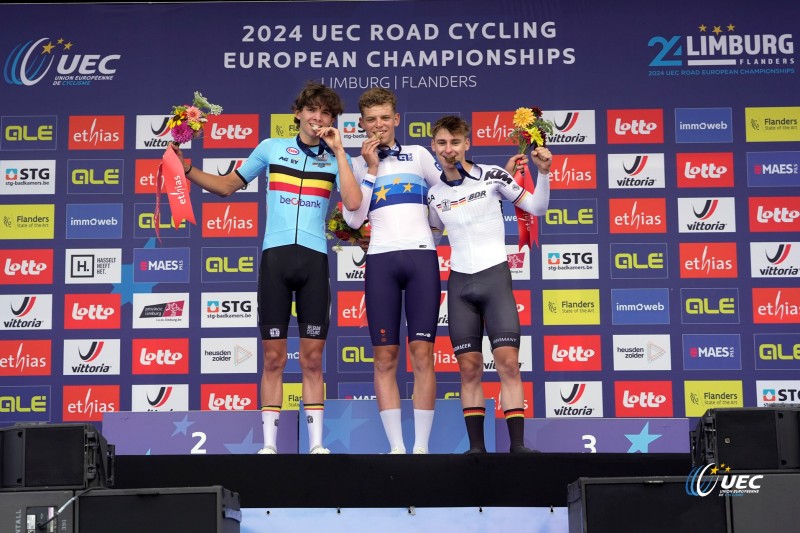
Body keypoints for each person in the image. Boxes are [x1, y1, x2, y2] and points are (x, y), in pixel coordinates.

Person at [173, 81, 362, 454]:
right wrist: (188, 169)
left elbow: (354, 205)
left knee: (311, 359)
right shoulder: (272, 148)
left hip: (314, 261)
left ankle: (317, 445)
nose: (318, 118)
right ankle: (270, 446)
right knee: (273, 358)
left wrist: (339, 151)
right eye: (312, 110)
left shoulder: (336, 158)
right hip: (275, 259)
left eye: (326, 113)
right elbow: (228, 186)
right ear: (298, 113)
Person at [426, 115, 551, 454]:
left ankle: (518, 446)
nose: (448, 149)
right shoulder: (434, 195)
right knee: (469, 368)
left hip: (495, 279)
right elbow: (431, 237)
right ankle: (477, 451)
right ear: (433, 148)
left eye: (455, 142)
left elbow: (537, 207)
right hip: (460, 285)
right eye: (442, 143)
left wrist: (544, 171)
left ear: (467, 144)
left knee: (508, 361)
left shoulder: (494, 175)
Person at [342, 87, 441, 454]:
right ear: (361, 124)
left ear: (397, 119)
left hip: (420, 258)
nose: (379, 126)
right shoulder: (354, 164)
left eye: (386, 118)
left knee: (422, 354)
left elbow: (445, 194)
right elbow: (353, 217)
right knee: (384, 357)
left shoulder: (418, 154)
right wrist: (370, 169)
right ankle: (397, 448)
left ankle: (422, 448)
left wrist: (434, 223)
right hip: (381, 259)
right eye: (371, 120)